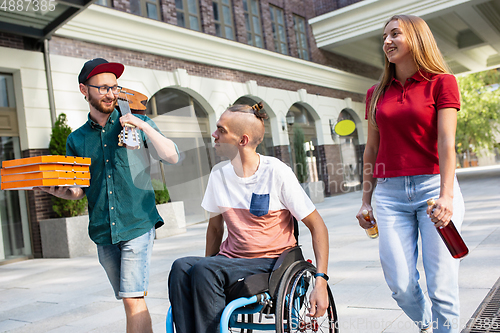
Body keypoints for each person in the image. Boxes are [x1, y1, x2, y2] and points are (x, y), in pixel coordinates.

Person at [37, 58, 179, 333]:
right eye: (102, 88)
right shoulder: (76, 140)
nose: (110, 93)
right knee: (132, 299)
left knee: (131, 298)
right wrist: (50, 187)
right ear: (84, 90)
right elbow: (78, 190)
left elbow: (172, 156)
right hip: (104, 231)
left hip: (137, 222)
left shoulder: (137, 123)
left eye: (114, 87)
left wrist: (145, 126)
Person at [168, 102, 330, 333]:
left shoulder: (276, 172)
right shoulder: (218, 175)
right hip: (231, 260)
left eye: (221, 130)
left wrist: (321, 281)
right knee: (181, 267)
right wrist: (205, 267)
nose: (214, 135)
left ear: (242, 140)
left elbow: (318, 227)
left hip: (271, 263)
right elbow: (215, 230)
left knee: (206, 270)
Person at [356, 15, 465, 333]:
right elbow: (371, 150)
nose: (387, 41)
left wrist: (446, 195)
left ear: (416, 38)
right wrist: (366, 200)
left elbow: (447, 142)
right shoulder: (376, 93)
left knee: (442, 287)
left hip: (434, 189)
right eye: (384, 37)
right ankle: (427, 325)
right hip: (389, 194)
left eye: (394, 34)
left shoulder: (442, 82)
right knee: (400, 285)